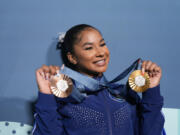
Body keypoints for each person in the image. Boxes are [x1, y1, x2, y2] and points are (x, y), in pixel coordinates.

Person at [32, 24, 165, 135]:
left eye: (102, 44)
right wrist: (46, 95)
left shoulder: (124, 94)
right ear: (72, 57)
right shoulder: (63, 97)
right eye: (89, 48)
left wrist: (151, 91)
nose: (101, 52)